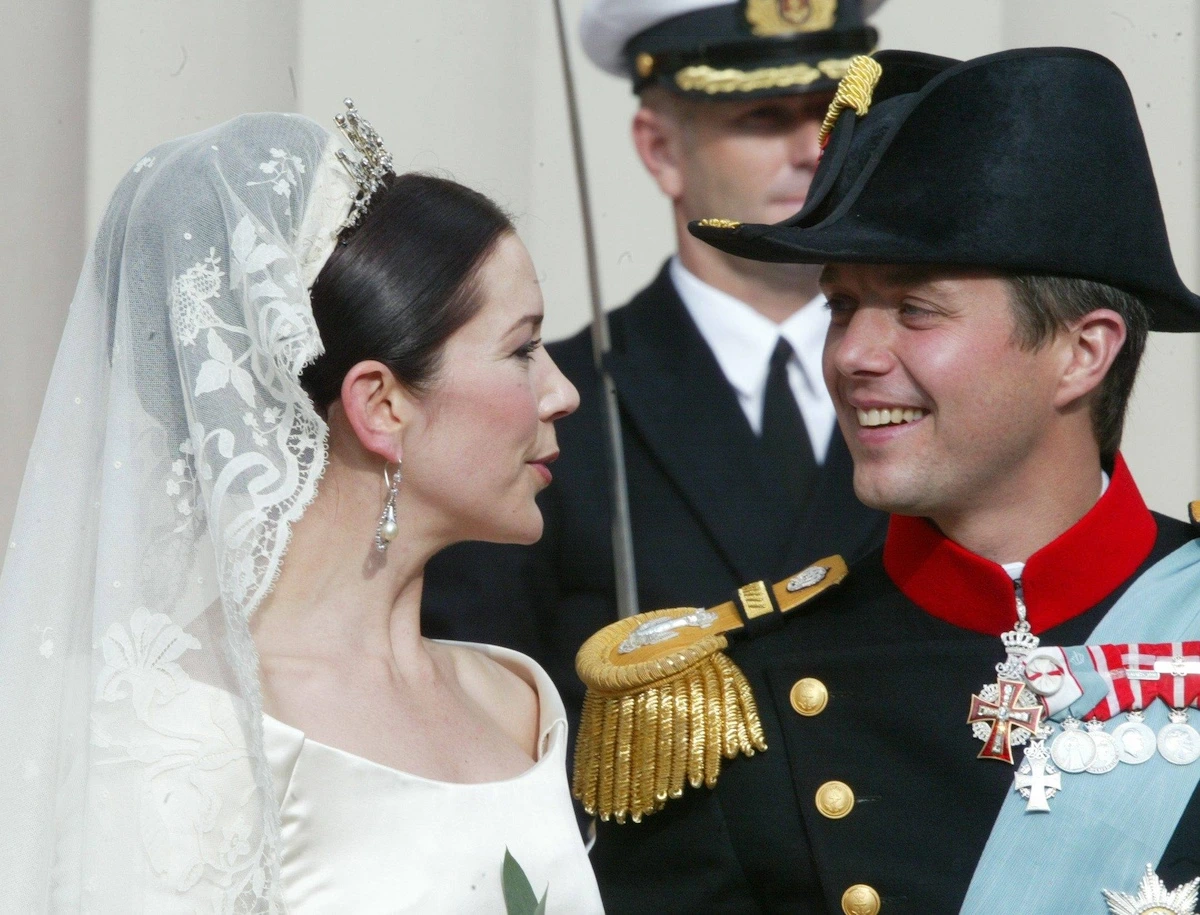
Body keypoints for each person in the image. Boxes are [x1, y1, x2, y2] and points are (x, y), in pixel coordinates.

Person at [571, 49, 1200, 912]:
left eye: (914, 308)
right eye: (841, 305)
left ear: (1082, 352)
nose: (853, 356)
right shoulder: (738, 700)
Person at [0, 107, 604, 912]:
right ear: (381, 404)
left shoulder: (516, 702)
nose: (561, 393)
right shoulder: (177, 731)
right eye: (522, 349)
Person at [423, 0, 887, 754]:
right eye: (766, 117)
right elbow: (480, 719)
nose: (813, 149)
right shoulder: (552, 403)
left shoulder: (934, 383)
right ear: (661, 148)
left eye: (834, 115)